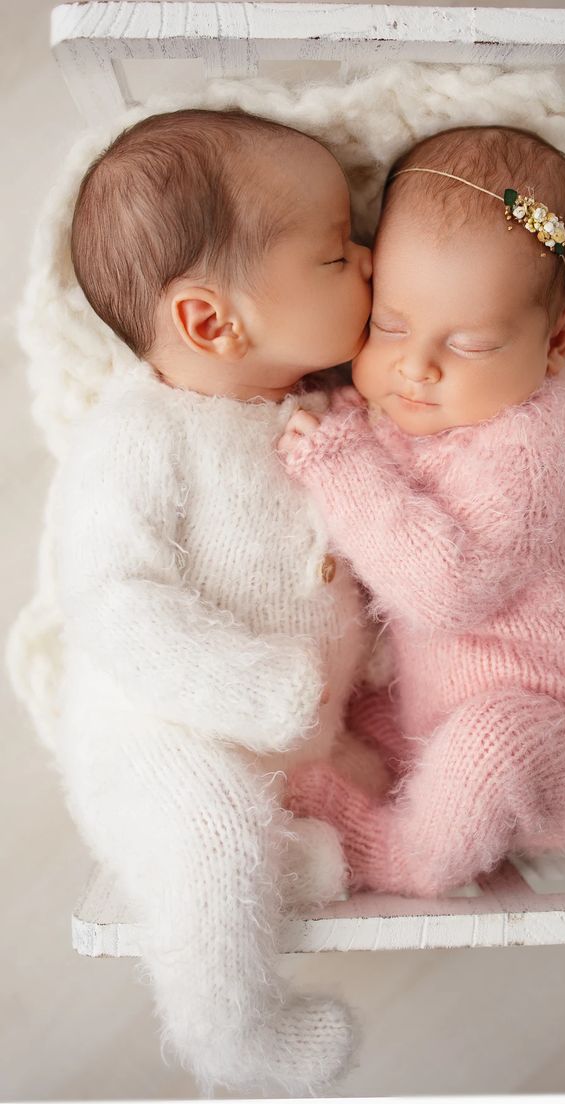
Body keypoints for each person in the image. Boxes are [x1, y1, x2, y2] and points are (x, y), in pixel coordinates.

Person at [55, 107, 373, 1094]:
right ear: (208, 320)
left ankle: (281, 865)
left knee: (356, 818)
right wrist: (247, 688)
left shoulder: (320, 414)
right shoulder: (142, 437)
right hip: (160, 727)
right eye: (334, 255)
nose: (368, 259)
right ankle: (231, 1039)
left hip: (297, 737)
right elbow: (110, 600)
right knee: (207, 836)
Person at [279, 124, 565, 899]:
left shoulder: (536, 443)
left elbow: (440, 589)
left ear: (555, 343)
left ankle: (404, 859)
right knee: (335, 727)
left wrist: (335, 457)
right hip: (440, 712)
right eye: (389, 325)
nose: (416, 366)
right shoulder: (408, 406)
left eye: (472, 344)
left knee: (487, 748)